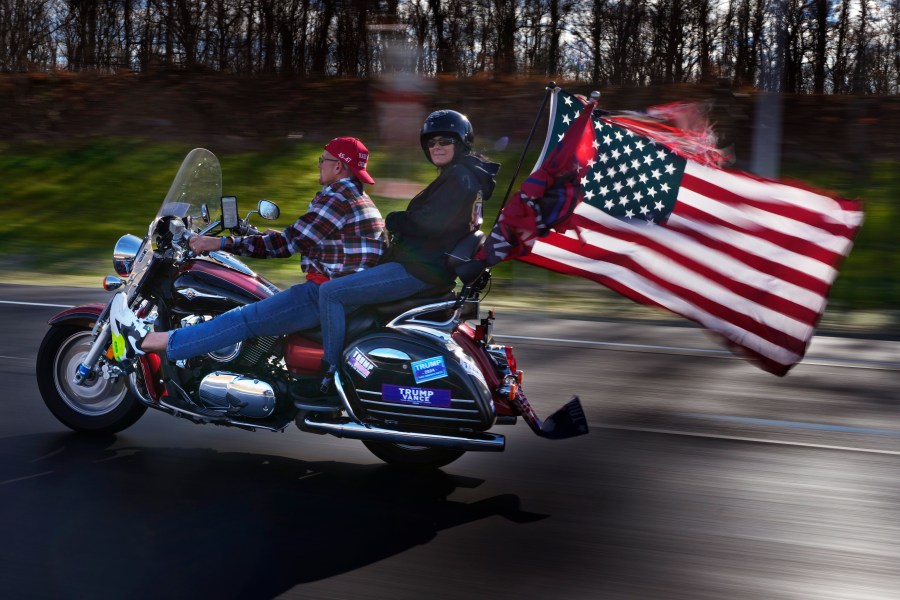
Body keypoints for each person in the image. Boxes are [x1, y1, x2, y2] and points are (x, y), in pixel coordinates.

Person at [109, 136, 386, 369]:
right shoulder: (357, 199)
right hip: (343, 294)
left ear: (338, 166)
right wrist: (252, 235)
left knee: (241, 318)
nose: (319, 164)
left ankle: (147, 342)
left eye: (322, 159)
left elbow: (285, 246)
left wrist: (218, 244)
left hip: (323, 294)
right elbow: (307, 239)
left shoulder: (336, 197)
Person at [317, 110, 500, 390]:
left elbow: (431, 224)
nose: (436, 147)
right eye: (431, 142)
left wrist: (395, 219)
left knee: (330, 292)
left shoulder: (459, 177)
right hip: (429, 268)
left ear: (461, 143)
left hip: (419, 271)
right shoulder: (464, 176)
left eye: (444, 141)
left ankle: (329, 375)